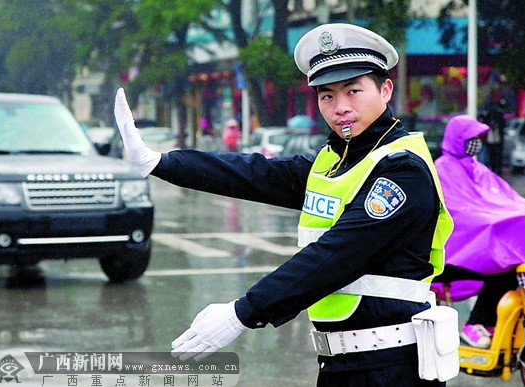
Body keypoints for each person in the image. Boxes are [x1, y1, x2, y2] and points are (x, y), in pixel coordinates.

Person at [114, 23, 454, 386]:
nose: (340, 107)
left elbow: (336, 256)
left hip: (392, 366)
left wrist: (241, 313)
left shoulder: (402, 170)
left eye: (353, 91)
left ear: (385, 90)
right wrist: (160, 162)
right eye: (326, 96)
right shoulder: (335, 160)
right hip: (342, 364)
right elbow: (254, 173)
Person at [433, 115, 525, 348]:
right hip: (450, 259)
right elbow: (460, 213)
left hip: (480, 255)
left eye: (478, 137)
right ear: (458, 139)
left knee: (509, 267)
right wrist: (494, 222)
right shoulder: (442, 169)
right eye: (471, 137)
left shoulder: (479, 169)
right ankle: (475, 325)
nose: (477, 141)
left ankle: (485, 324)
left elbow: (507, 200)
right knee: (503, 268)